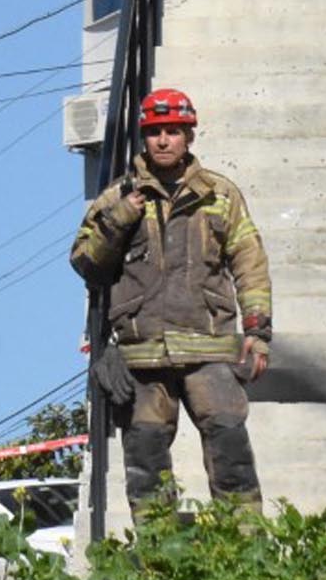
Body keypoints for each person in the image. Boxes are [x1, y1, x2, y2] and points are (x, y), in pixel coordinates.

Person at [67, 88, 271, 516]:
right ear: (144, 137)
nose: (163, 141)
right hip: (142, 354)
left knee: (230, 444)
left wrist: (257, 332)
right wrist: (119, 220)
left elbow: (249, 262)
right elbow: (86, 263)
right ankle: (160, 557)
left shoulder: (221, 195)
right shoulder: (117, 198)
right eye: (155, 132)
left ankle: (245, 550)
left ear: (189, 136)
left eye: (173, 131)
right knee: (146, 460)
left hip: (209, 347)